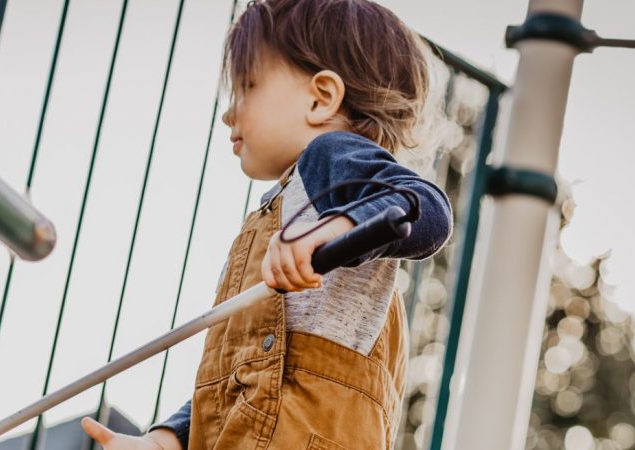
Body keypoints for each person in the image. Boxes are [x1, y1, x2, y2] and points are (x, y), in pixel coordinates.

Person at [82, 0, 452, 448]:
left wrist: (337, 227)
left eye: (247, 86)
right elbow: (237, 371)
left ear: (321, 98)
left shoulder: (333, 159)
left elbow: (426, 207)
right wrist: (163, 440)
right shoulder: (277, 205)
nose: (229, 112)